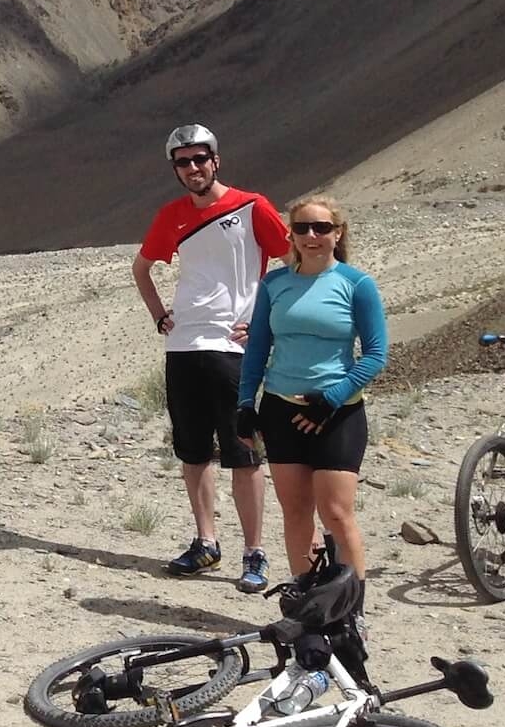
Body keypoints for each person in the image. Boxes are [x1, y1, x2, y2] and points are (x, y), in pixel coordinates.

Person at [133, 124, 290, 590]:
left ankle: (254, 552)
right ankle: (207, 542)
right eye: (183, 162)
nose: (194, 168)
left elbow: (293, 264)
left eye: (201, 159)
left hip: (233, 349)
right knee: (193, 452)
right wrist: (160, 316)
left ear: (215, 160)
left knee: (244, 454)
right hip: (183, 347)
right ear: (175, 168)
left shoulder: (252, 206)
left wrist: (268, 322)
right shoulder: (171, 215)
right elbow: (142, 268)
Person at [237, 196, 385, 592]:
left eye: (321, 228)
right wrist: (245, 403)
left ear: (338, 233)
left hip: (338, 414)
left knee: (336, 513)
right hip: (280, 410)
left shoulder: (357, 285)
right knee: (296, 512)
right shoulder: (274, 284)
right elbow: (256, 350)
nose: (311, 236)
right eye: (302, 228)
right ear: (291, 235)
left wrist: (331, 398)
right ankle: (307, 601)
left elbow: (375, 355)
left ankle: (352, 611)